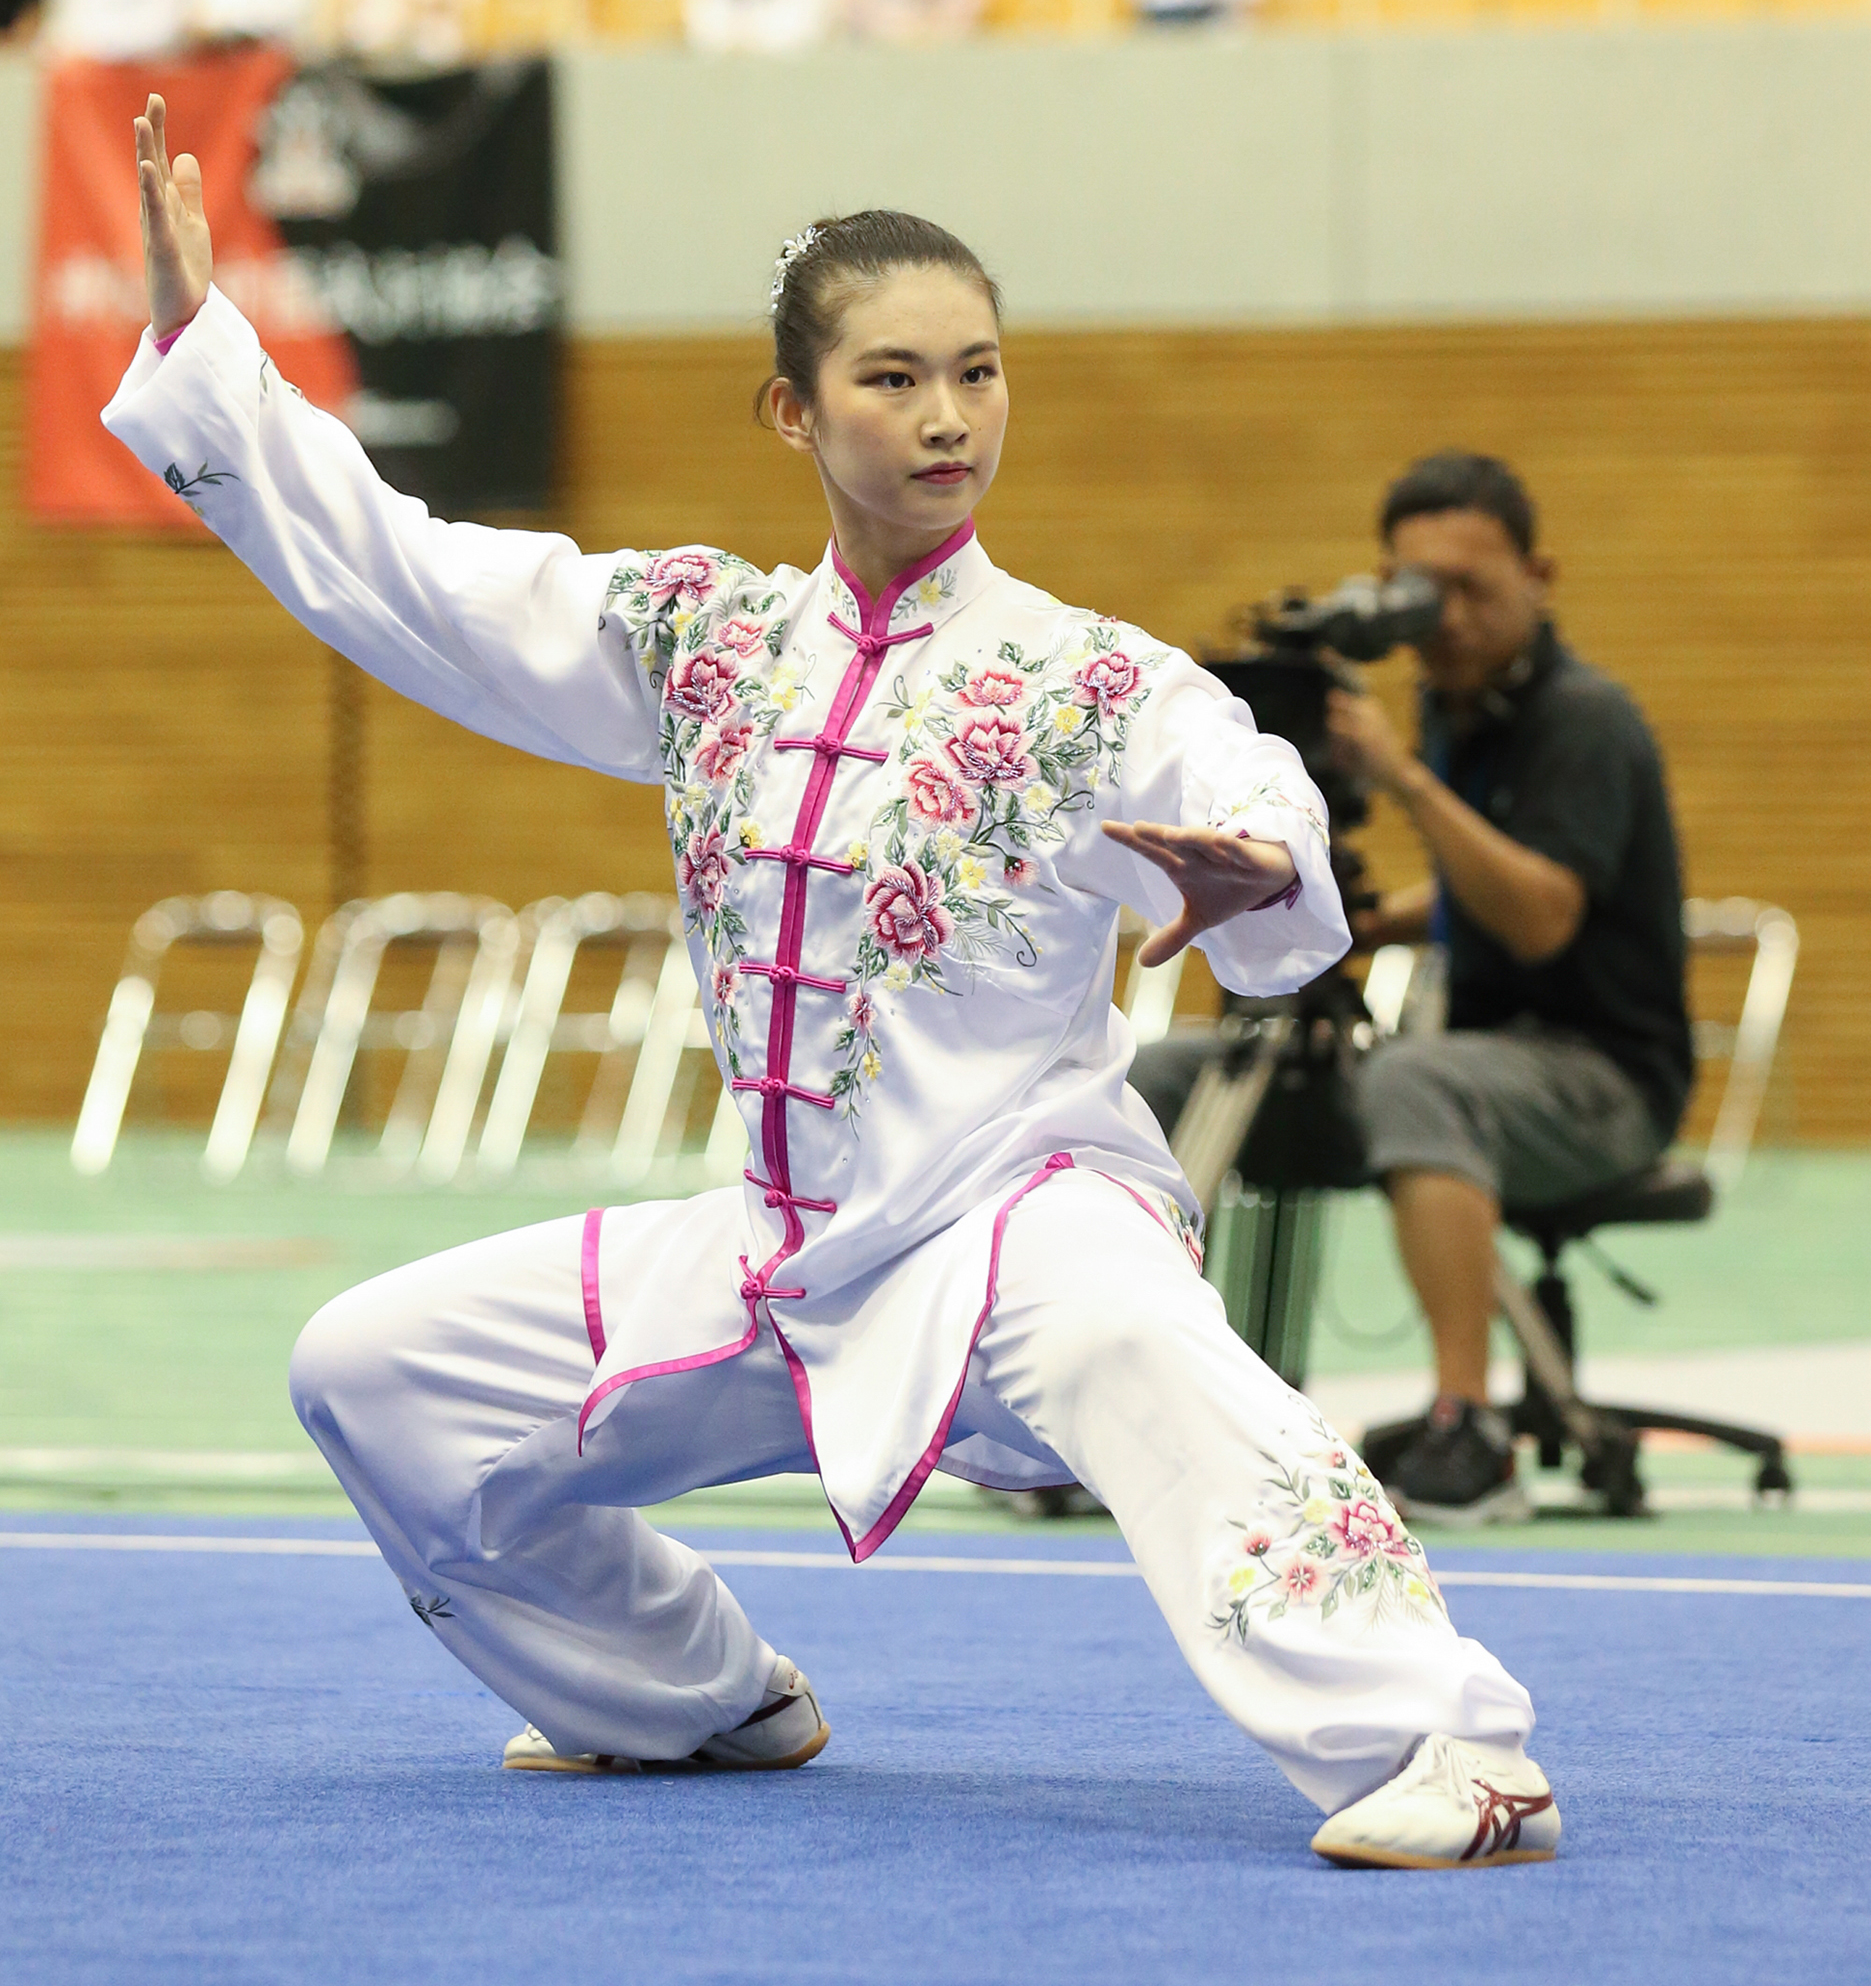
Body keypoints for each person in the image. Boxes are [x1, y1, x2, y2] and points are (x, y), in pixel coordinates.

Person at [111, 94, 1562, 1869]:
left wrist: (1257, 862)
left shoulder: (1091, 682)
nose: (947, 415)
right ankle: (691, 1696)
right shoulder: (703, 641)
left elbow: (1251, 797)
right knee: (372, 1370)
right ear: (792, 409)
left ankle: (1451, 1746)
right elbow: (415, 578)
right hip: (778, 1245)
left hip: (1016, 1217)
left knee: (1129, 1329)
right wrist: (205, 353)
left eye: (978, 371)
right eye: (891, 378)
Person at [1328, 452, 1693, 1525]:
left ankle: (1465, 1426)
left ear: (1539, 575)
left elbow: (1538, 913)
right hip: (1502, 1061)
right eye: (1417, 591)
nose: (1441, 617)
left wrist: (1401, 776)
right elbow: (1476, 881)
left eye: (1471, 589)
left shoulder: (1584, 717)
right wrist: (1366, 917)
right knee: (1185, 1072)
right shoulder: (1457, 700)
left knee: (1413, 1083)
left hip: (1605, 1077)